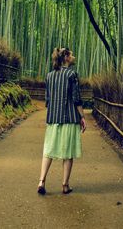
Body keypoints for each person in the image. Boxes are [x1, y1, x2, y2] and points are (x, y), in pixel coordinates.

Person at [37, 47, 86, 195]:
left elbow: (47, 99)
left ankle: (41, 181)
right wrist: (82, 117)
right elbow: (76, 98)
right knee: (68, 152)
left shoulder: (49, 76)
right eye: (71, 54)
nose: (74, 56)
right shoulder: (72, 74)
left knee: (49, 151)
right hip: (70, 118)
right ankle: (65, 185)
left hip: (53, 118)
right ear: (65, 57)